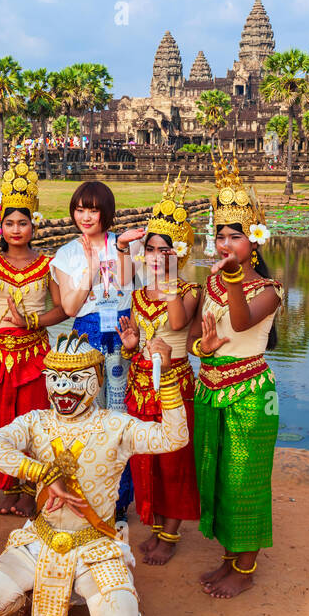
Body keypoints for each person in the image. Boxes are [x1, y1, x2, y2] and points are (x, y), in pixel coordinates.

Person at [0, 332, 188, 616]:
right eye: (54, 379)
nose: (62, 389)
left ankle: (105, 589)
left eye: (75, 379)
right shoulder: (36, 422)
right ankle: (32, 592)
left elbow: (174, 438)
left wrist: (165, 378)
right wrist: (43, 472)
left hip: (95, 546)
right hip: (40, 539)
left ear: (96, 380)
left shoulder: (116, 425)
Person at [189, 156, 282, 599]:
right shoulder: (206, 287)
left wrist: (230, 282)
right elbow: (192, 337)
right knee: (216, 472)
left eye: (236, 235)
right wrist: (200, 350)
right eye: (220, 234)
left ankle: (245, 567)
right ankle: (228, 557)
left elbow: (242, 325)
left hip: (251, 394)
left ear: (255, 241)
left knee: (244, 475)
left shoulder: (270, 290)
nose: (226, 242)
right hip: (209, 386)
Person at [0, 144, 67, 518]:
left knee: (33, 420)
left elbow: (62, 309)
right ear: (1, 226)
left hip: (32, 352)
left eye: (23, 223)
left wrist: (32, 322)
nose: (16, 230)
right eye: (9, 223)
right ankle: (8, 485)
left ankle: (30, 488)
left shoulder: (47, 263)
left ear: (33, 225)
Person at [116, 174, 200, 565]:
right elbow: (134, 345)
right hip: (139, 384)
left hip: (173, 385)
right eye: (149, 249)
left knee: (174, 462)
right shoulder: (136, 293)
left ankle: (170, 534)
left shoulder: (186, 291)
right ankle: (155, 526)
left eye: (163, 249)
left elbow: (179, 325)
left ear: (178, 253)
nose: (154, 256)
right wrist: (131, 347)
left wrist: (167, 284)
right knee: (145, 458)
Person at [50, 181, 145, 520]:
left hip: (121, 332)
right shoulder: (65, 254)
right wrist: (90, 268)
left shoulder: (123, 244)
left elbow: (130, 283)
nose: (86, 216)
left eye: (93, 209)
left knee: (119, 418)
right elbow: (72, 306)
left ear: (106, 212)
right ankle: (88, 496)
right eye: (80, 209)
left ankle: (119, 501)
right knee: (86, 419)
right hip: (86, 335)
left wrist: (118, 248)